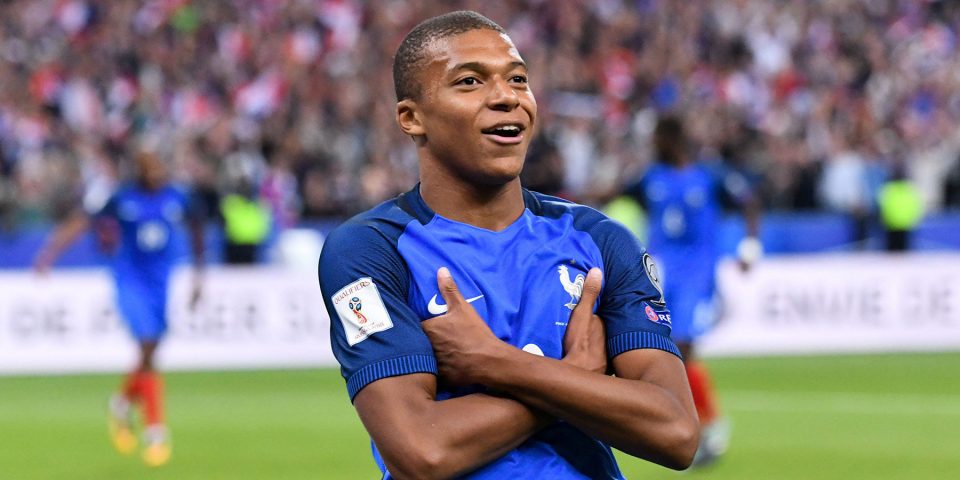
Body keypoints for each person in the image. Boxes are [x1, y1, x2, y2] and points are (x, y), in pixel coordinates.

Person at [317, 11, 698, 479]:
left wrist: (495, 363)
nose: (506, 97)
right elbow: (421, 451)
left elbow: (677, 433)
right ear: (412, 118)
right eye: (470, 81)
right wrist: (575, 375)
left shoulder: (600, 240)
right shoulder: (370, 249)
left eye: (518, 79)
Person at [34, 150, 205, 467]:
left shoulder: (176, 197)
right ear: (138, 171)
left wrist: (199, 275)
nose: (154, 173)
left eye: (157, 167)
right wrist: (49, 253)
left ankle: (122, 403)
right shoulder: (123, 198)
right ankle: (155, 431)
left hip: (160, 282)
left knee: (150, 351)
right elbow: (83, 221)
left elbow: (197, 227)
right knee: (146, 342)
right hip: (130, 280)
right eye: (147, 168)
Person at [622, 115, 762, 467]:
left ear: (670, 139)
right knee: (668, 349)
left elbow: (749, 201)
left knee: (683, 346)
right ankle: (696, 424)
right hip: (659, 273)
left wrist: (750, 244)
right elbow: (614, 196)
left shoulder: (709, 176)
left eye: (657, 139)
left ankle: (706, 425)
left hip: (697, 274)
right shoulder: (650, 178)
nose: (653, 146)